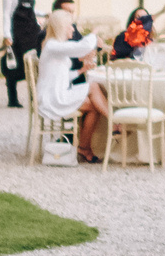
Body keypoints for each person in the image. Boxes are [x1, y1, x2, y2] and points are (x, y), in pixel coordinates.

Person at [34, 10, 110, 162]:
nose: (73, 29)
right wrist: (94, 35)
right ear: (62, 27)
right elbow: (81, 48)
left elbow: (60, 76)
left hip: (58, 92)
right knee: (93, 88)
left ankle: (85, 147)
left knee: (94, 101)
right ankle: (115, 121)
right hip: (53, 98)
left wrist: (81, 70)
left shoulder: (55, 46)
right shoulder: (52, 46)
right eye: (70, 26)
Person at [0, 0, 40, 108]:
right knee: (14, 65)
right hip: (18, 32)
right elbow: (7, 14)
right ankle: (13, 99)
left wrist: (44, 14)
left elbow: (31, 11)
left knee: (33, 63)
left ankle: (34, 96)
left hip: (32, 31)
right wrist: (6, 35)